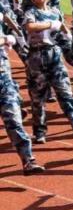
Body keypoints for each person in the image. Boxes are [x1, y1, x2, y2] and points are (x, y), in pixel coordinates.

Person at [23, 0, 73, 144]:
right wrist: (50, 24)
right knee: (38, 97)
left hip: (54, 54)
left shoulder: (55, 12)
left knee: (65, 91)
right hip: (37, 57)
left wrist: (69, 39)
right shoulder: (30, 13)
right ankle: (39, 131)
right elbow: (30, 27)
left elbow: (63, 33)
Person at [0, 25, 45, 176]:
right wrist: (5, 39)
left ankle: (28, 160)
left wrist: (8, 42)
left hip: (4, 81)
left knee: (14, 121)